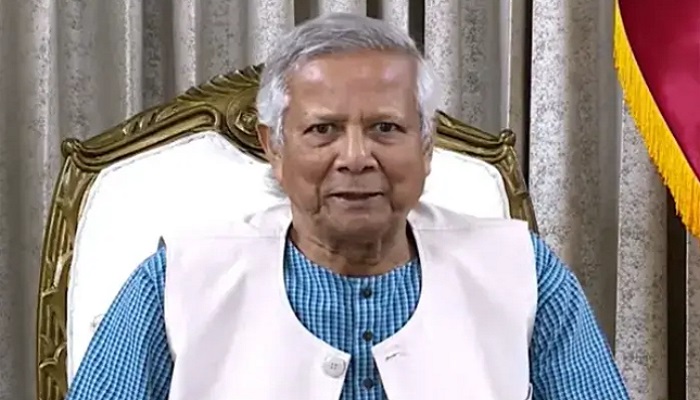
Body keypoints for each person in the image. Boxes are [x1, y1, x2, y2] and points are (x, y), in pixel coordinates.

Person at [66, 12, 629, 400]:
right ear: (274, 147)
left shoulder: (521, 269)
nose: (355, 158)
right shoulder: (178, 278)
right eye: (323, 130)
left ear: (426, 146)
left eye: (386, 128)